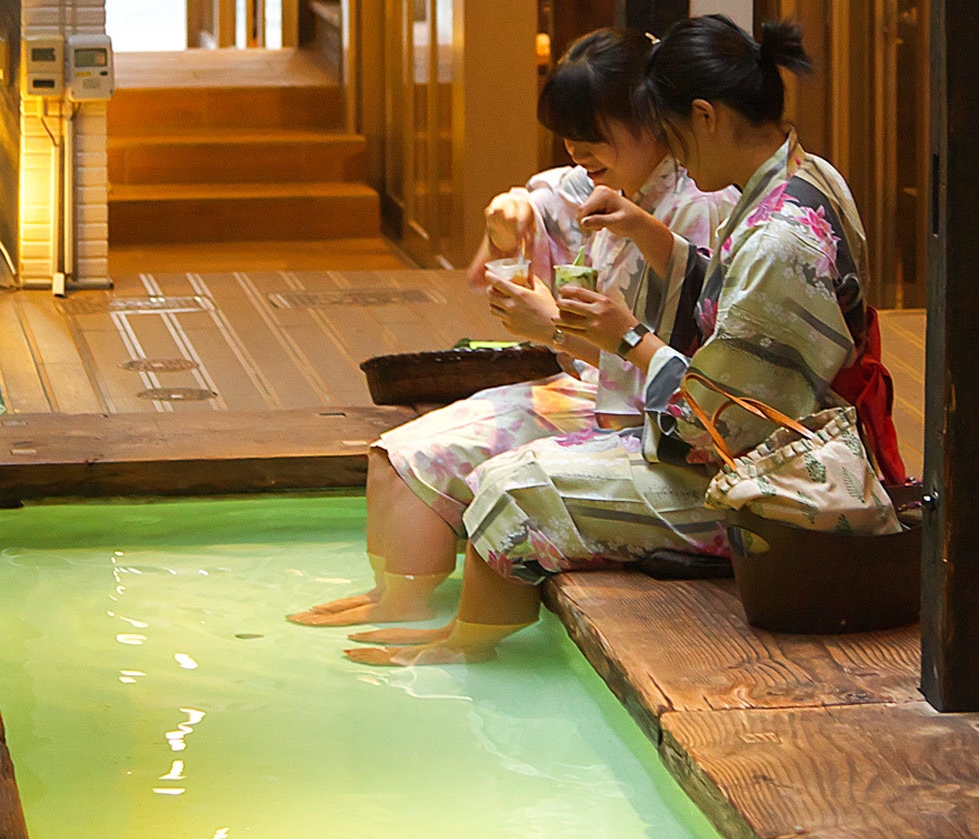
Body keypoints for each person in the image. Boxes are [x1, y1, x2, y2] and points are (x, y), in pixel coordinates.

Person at [347, 16, 892, 666]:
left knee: (509, 489)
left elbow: (721, 422)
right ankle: (466, 634)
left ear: (705, 116)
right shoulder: (804, 178)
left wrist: (625, 336)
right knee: (499, 474)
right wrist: (653, 238)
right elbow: (725, 306)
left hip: (772, 493)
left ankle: (470, 649)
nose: (675, 153)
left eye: (675, 134)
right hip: (771, 448)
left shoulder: (778, 238)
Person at [290, 28, 733, 629]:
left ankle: (436, 623)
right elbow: (536, 205)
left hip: (661, 426)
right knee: (398, 455)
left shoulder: (696, 206)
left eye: (594, 134)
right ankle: (401, 595)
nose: (578, 150)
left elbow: (673, 367)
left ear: (652, 118)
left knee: (496, 481)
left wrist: (553, 329)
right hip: (593, 395)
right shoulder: (597, 182)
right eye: (570, 136)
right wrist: (508, 217)